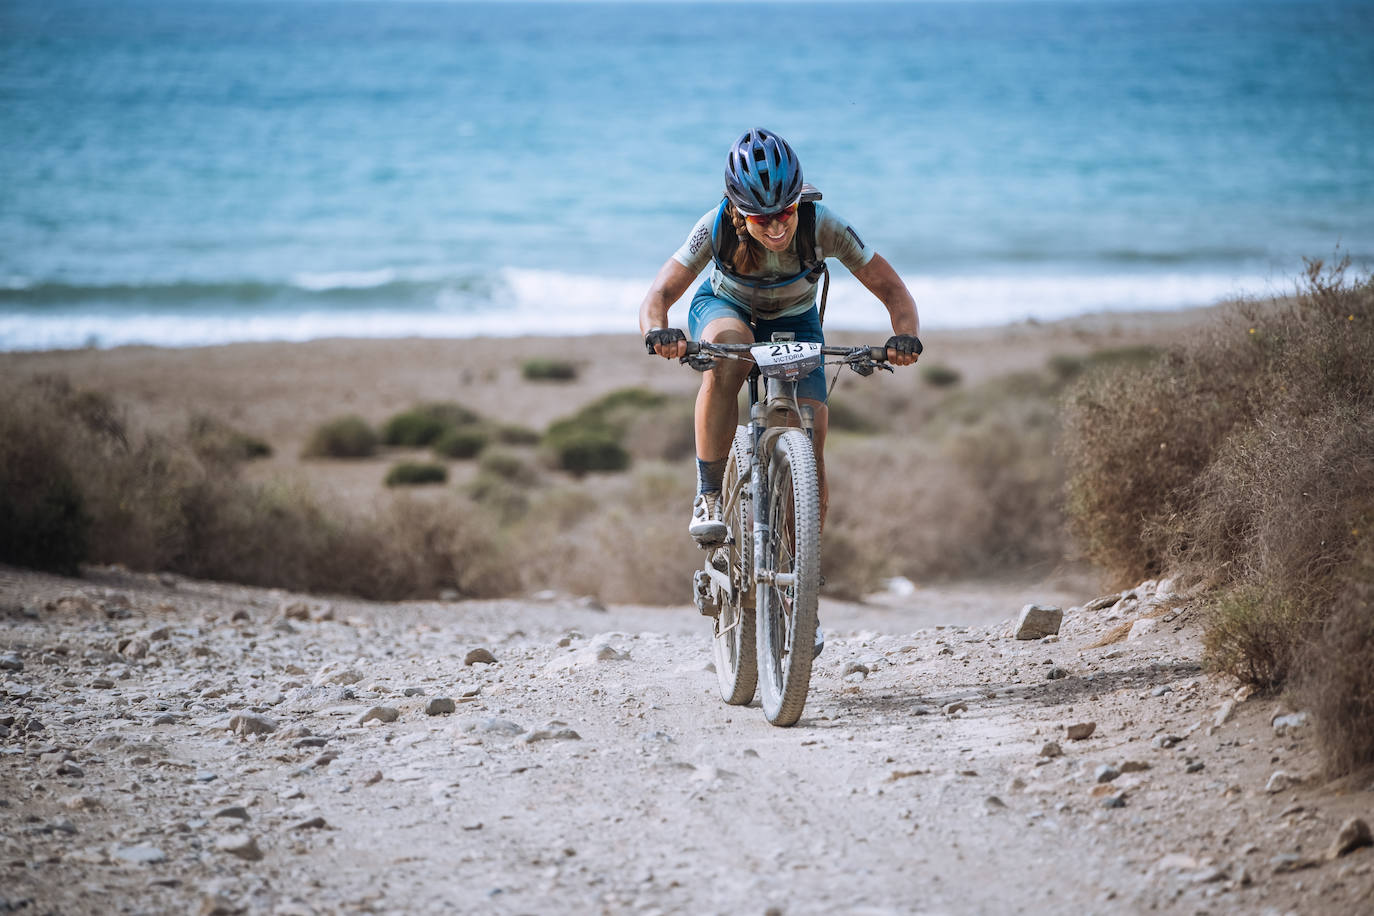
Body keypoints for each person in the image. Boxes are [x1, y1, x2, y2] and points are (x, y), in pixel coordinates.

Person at [639, 127, 921, 548]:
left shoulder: (823, 224)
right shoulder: (714, 226)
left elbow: (892, 289)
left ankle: (799, 581)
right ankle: (709, 495)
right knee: (729, 352)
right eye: (760, 218)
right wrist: (658, 332)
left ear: (798, 202)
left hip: (796, 318)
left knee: (811, 441)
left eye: (785, 212)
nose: (776, 226)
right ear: (739, 212)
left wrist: (905, 336)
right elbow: (659, 294)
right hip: (725, 308)